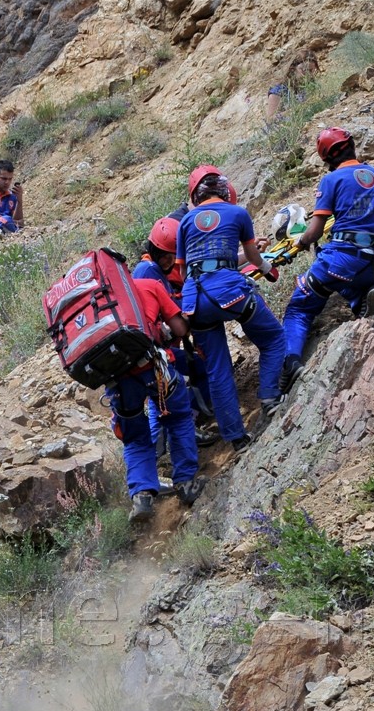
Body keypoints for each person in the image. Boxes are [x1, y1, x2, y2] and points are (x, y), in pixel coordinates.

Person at [177, 165, 286, 452]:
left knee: (218, 370)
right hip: (230, 295)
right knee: (273, 338)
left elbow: (183, 269)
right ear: (224, 190)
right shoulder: (237, 214)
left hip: (195, 302)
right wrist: (268, 269)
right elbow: (252, 256)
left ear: (196, 195)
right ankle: (270, 397)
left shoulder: (186, 222)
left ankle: (236, 438)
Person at [279, 127, 374, 394]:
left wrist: (303, 241)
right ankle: (360, 299)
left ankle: (290, 363)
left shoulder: (331, 181)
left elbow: (316, 230)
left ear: (327, 159)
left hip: (345, 259)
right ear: (352, 145)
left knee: (299, 308)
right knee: (342, 278)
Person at [107, 254, 204, 523]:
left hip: (118, 382)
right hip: (154, 370)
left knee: (135, 437)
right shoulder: (149, 286)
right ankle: (185, 483)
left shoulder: (103, 304)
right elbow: (180, 328)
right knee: (179, 418)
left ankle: (142, 497)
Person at [132, 217, 217, 447]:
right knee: (172, 385)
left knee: (161, 393)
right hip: (152, 350)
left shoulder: (155, 271)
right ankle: (181, 431)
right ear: (155, 251)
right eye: (166, 257)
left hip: (153, 349)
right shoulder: (147, 271)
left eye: (173, 256)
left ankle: (163, 445)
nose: (170, 262)